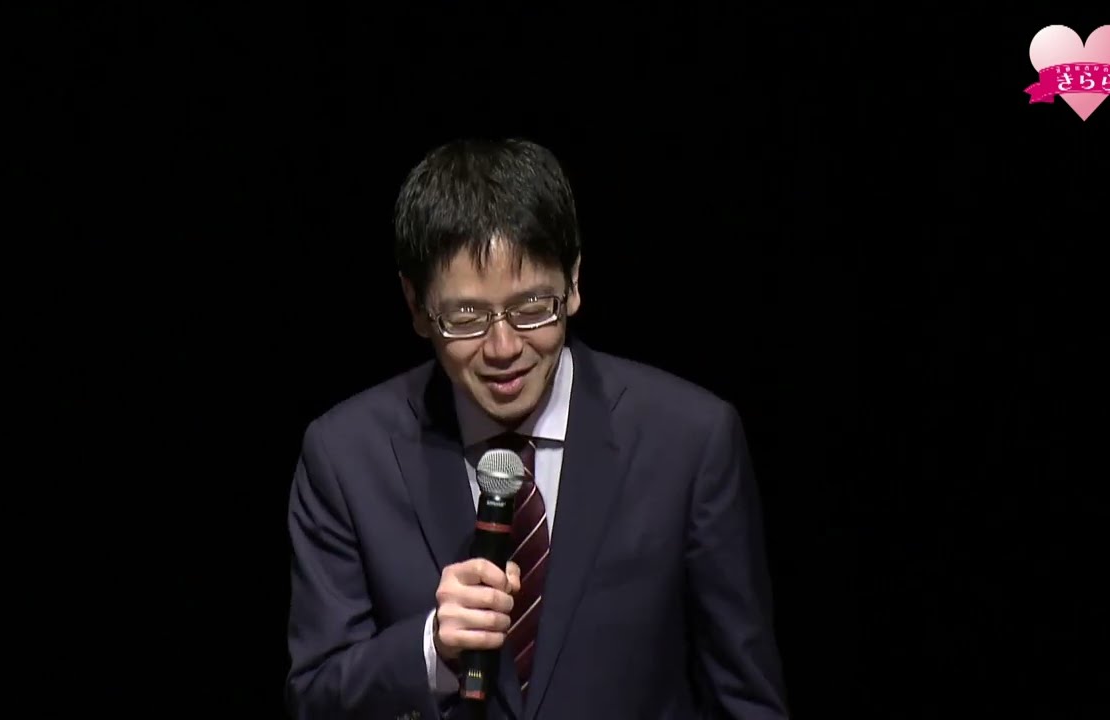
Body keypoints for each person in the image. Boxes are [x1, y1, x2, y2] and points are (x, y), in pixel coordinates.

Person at [284, 138, 789, 719]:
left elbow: (745, 699)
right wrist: (432, 649)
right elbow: (314, 696)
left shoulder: (690, 441)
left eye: (531, 309)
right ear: (416, 306)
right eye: (466, 317)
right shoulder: (346, 457)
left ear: (573, 283)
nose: (503, 348)